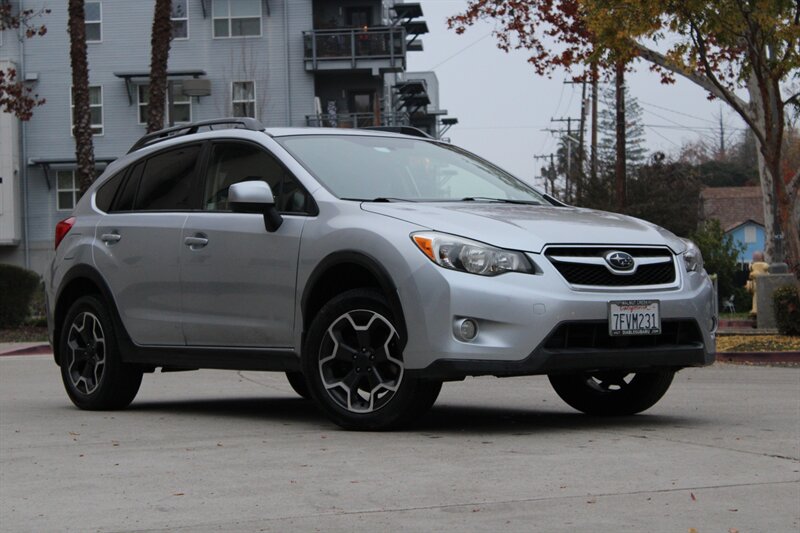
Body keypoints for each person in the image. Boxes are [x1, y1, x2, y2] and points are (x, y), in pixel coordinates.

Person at [745, 251, 770, 319]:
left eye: (757, 258)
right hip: (756, 284)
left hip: (763, 285)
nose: (755, 259)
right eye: (754, 258)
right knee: (755, 297)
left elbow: (766, 267)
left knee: (758, 297)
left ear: (762, 258)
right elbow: (751, 269)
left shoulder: (763, 265)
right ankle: (755, 311)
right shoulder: (753, 265)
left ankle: (758, 311)